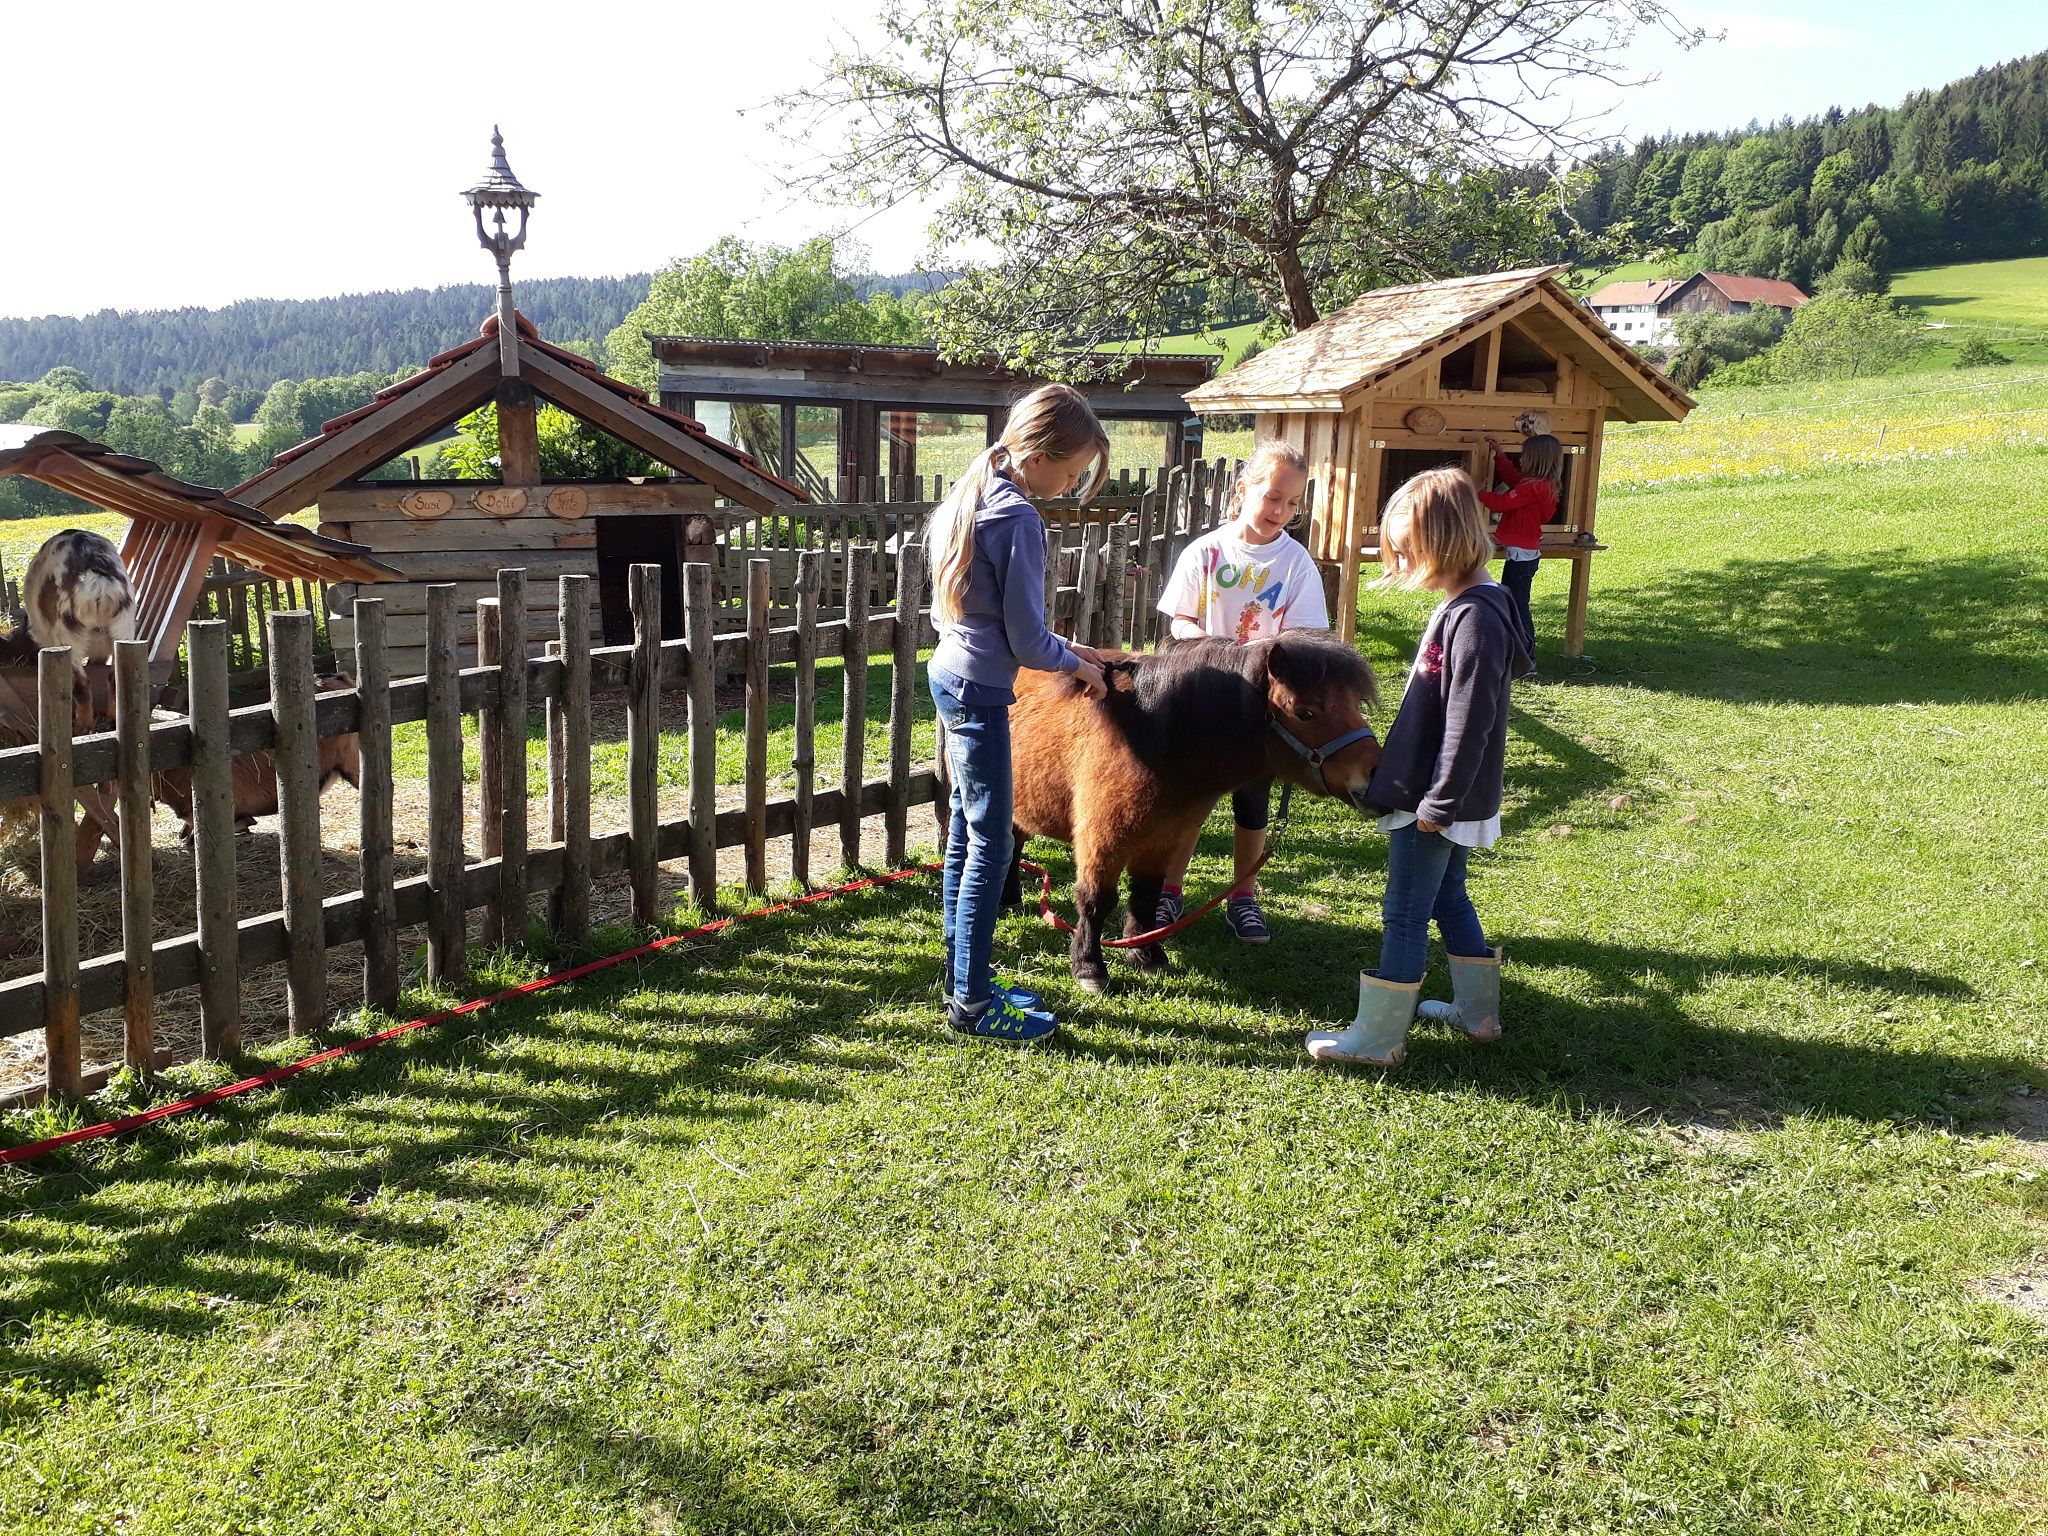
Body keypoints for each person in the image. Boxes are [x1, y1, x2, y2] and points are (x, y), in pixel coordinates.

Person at [1307, 466, 1530, 1068]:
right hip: (1442, 793)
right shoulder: (1470, 605)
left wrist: (1438, 805)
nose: (1400, 564)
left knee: (1404, 910)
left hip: (1434, 798)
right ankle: (1477, 1016)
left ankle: (1378, 1039)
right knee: (1449, 896)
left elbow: (1470, 724)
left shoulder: (1477, 619)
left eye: (1407, 551)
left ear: (1445, 540)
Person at [927, 383, 1110, 1043]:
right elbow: (1029, 642)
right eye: (1069, 472)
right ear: (1037, 455)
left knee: (965, 834)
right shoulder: (1019, 518)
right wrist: (1079, 666)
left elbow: (990, 616)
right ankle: (974, 1003)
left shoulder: (977, 491)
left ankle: (960, 977)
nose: (1069, 484)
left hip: (951, 672)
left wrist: (1071, 646)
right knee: (992, 842)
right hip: (980, 692)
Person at [1151, 439, 1329, 944]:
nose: (1282, 511)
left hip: (1259, 710)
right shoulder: (1205, 552)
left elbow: (1303, 637)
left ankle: (1244, 896)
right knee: (1188, 797)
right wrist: (1214, 648)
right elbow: (1179, 619)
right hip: (1202, 696)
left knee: (1253, 803)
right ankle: (1169, 887)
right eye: (1273, 497)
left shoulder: (1295, 563)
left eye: (1293, 503)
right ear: (1244, 489)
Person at [1477, 433, 1563, 665]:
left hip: (1522, 557)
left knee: (1517, 605)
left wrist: (1476, 492)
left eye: (1525, 456)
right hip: (1521, 554)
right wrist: (1501, 456)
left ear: (1535, 460)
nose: (1522, 460)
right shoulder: (1536, 485)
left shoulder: (1535, 488)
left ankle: (1527, 658)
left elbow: (1502, 503)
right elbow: (1514, 479)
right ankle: (1517, 655)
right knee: (1512, 602)